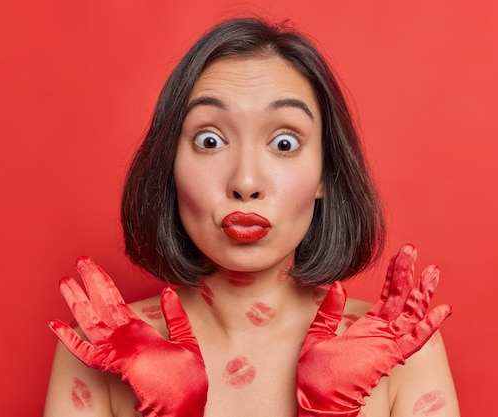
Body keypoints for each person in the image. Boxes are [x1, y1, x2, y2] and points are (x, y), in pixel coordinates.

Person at [44, 17, 460, 417]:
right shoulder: (100, 349)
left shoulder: (401, 350)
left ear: (325, 173)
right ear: (169, 166)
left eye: (283, 142)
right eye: (210, 140)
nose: (245, 181)